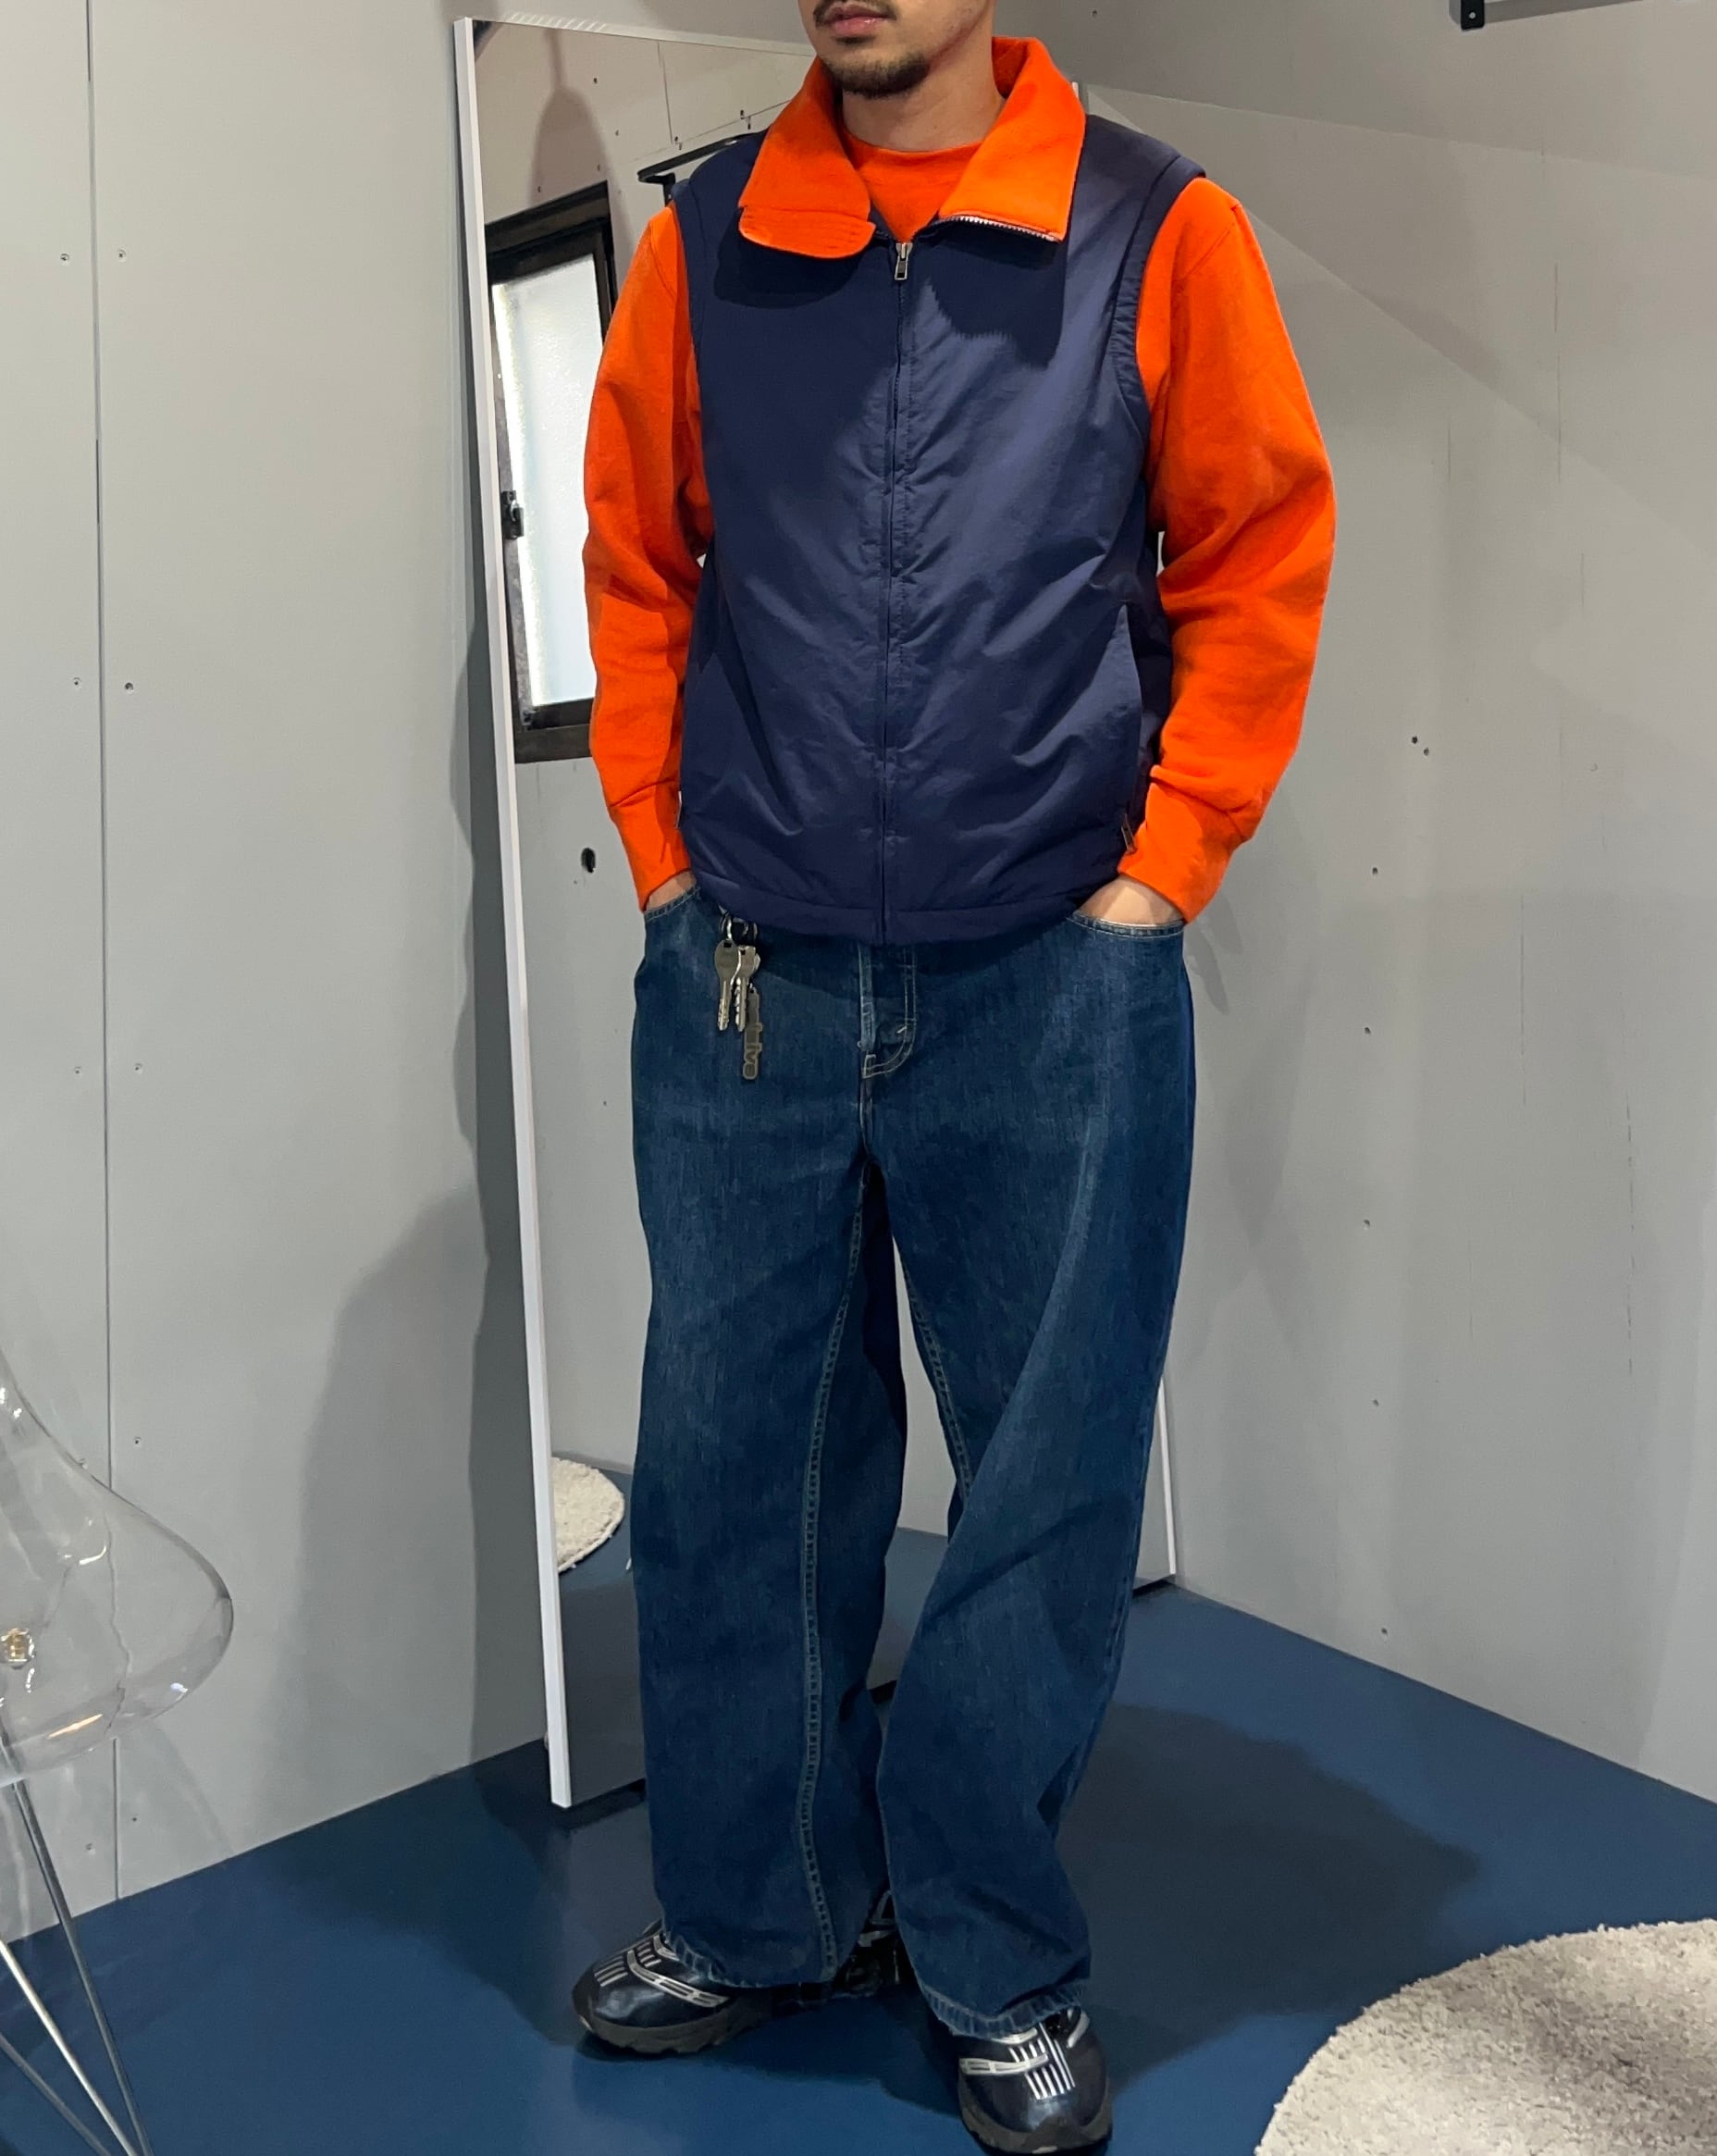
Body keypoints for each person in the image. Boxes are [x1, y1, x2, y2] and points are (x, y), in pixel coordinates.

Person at [571, 2, 1335, 2147]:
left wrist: (1155, 879)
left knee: (1041, 1479)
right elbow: (632, 563)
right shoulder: (708, 242)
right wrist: (661, 861)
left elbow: (1254, 550)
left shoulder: (1153, 231)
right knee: (730, 1469)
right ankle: (762, 1916)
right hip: (747, 975)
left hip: (1049, 973)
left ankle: (988, 1943)